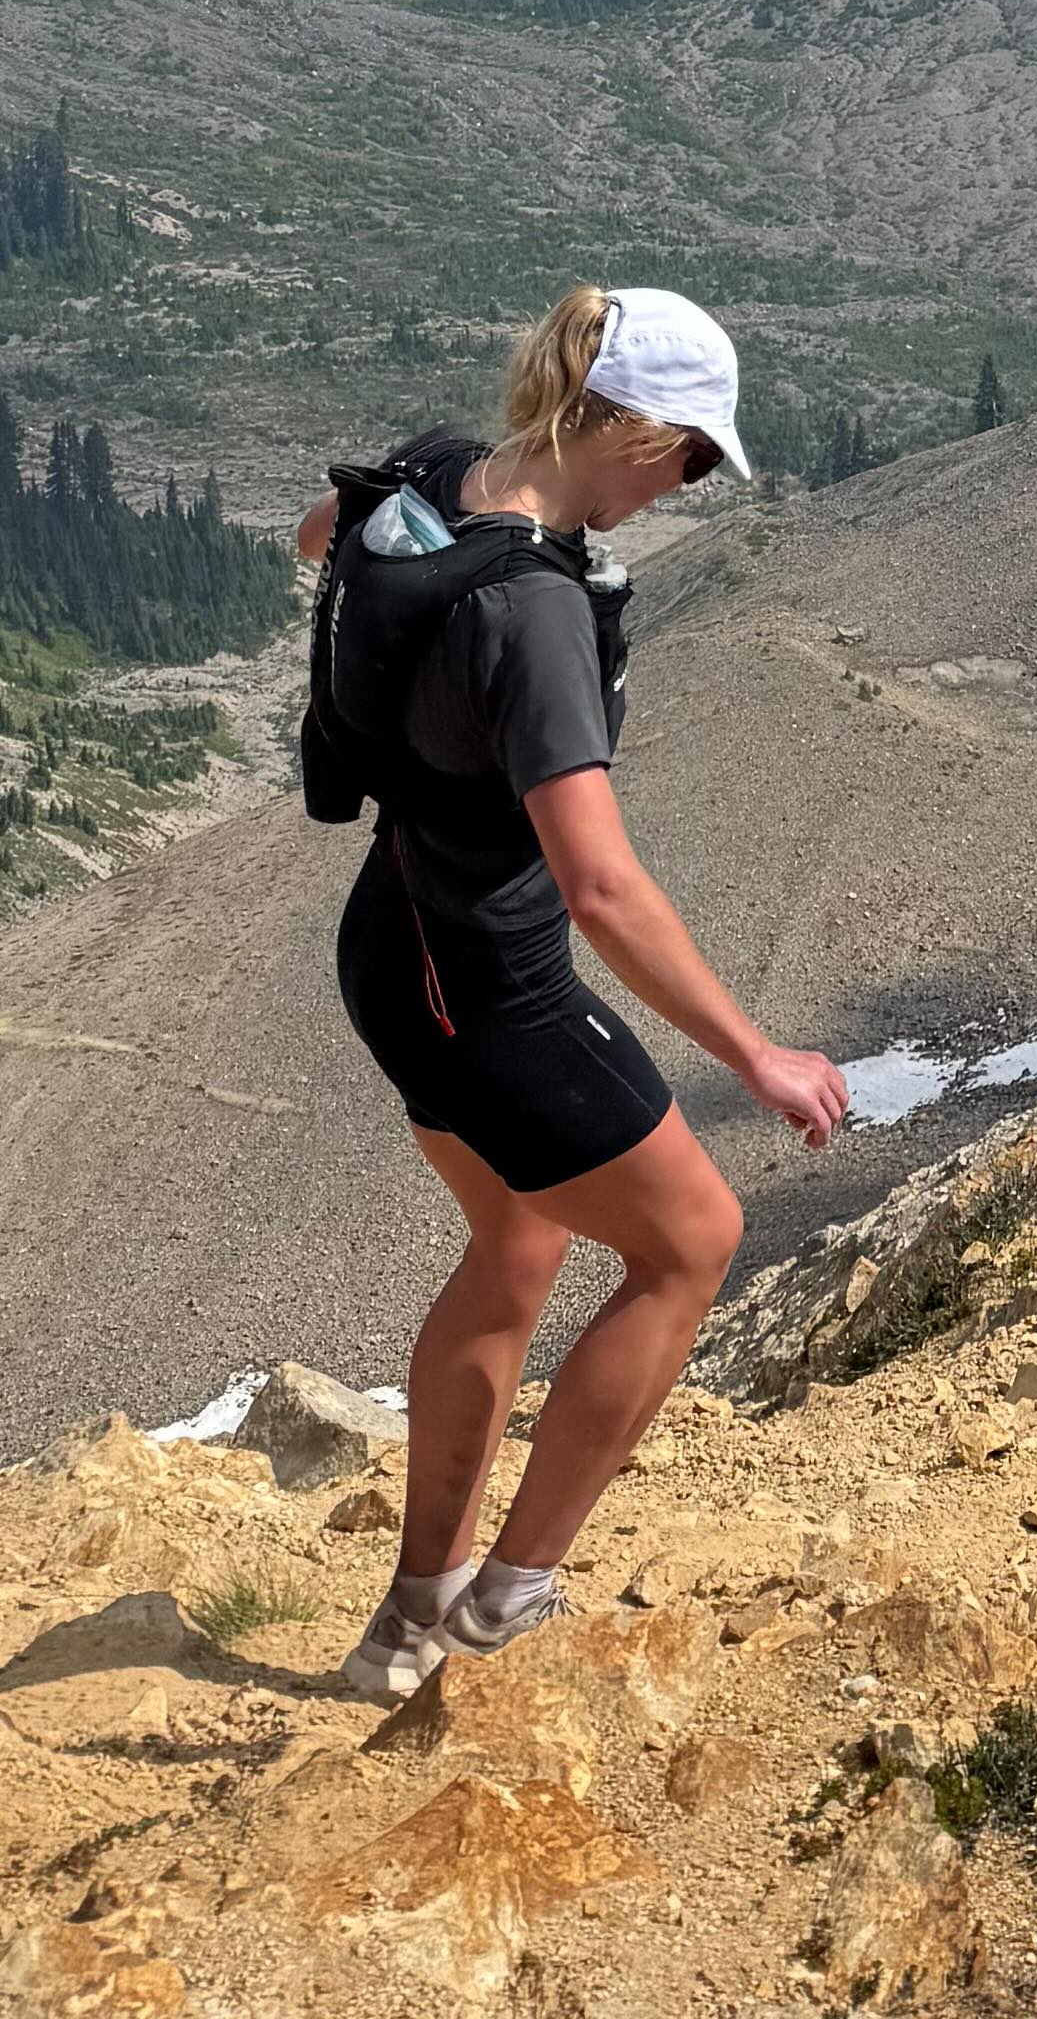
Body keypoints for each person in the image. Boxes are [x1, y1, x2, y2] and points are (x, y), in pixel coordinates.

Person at [297, 282, 848, 1703]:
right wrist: (759, 1055)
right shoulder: (534, 614)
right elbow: (601, 887)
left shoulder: (427, 481)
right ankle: (509, 1588)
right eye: (696, 458)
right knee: (691, 1242)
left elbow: (322, 543)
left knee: (520, 1243)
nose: (688, 486)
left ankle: (406, 1621)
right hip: (484, 976)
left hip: (395, 930)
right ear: (639, 431)